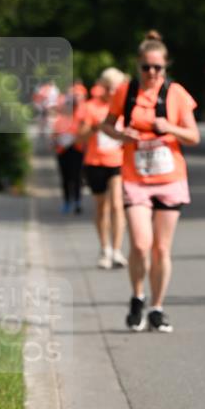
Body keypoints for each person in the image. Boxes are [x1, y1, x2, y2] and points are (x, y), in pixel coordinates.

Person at [100, 30, 200, 333]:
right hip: (136, 178)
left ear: (166, 67)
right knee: (141, 245)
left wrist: (169, 126)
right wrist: (121, 134)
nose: (152, 73)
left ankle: (157, 307)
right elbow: (105, 125)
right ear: (137, 66)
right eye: (146, 67)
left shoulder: (176, 94)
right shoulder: (125, 92)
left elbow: (193, 136)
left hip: (169, 178)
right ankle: (137, 296)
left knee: (161, 249)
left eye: (158, 68)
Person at [77, 68, 128, 269]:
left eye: (115, 88)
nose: (111, 92)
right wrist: (94, 127)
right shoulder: (90, 107)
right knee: (102, 207)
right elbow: (79, 138)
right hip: (95, 162)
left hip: (118, 161)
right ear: (102, 87)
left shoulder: (124, 107)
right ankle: (104, 247)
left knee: (117, 204)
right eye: (108, 88)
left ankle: (116, 250)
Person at [51, 96, 85, 214]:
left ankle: (77, 201)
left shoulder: (80, 119)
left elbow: (85, 135)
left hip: (76, 151)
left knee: (76, 177)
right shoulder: (60, 120)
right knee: (65, 178)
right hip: (63, 152)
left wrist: (75, 139)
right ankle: (67, 202)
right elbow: (54, 136)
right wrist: (57, 141)